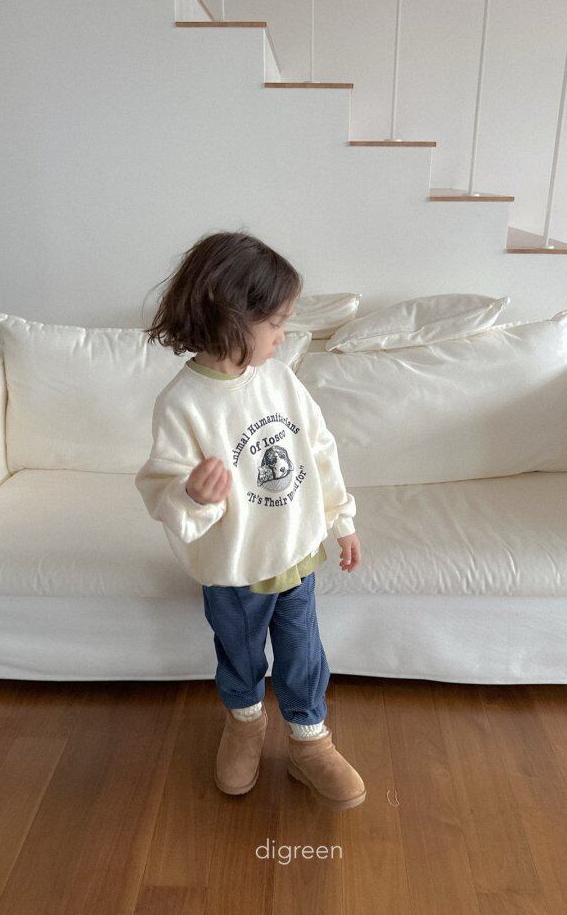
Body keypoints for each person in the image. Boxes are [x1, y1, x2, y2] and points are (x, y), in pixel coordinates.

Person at [135, 229, 366, 811]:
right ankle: (244, 724)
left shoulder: (280, 378)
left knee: (302, 651)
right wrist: (193, 494)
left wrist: (342, 520)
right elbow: (161, 488)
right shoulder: (182, 404)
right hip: (233, 568)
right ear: (229, 318)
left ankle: (310, 739)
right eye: (276, 323)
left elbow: (319, 448)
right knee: (239, 654)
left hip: (296, 552)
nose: (283, 335)